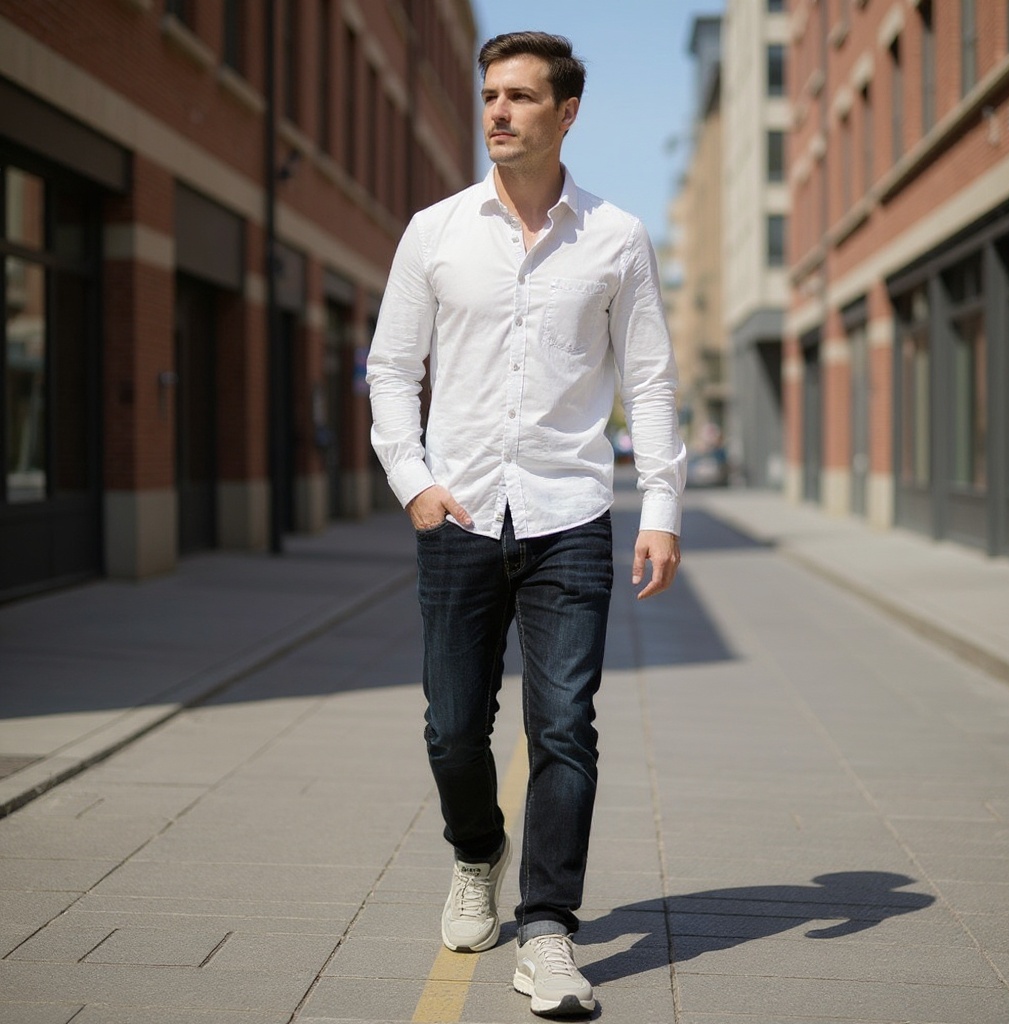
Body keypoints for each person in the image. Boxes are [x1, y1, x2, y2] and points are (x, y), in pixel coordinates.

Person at [367, 31, 685, 1018]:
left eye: (518, 97)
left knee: (563, 727)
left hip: (570, 515)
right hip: (456, 513)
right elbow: (389, 370)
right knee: (453, 729)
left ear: (566, 113)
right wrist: (412, 478)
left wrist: (661, 506)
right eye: (489, 94)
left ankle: (548, 928)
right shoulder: (434, 232)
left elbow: (649, 379)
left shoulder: (616, 237)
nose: (496, 111)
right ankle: (476, 854)